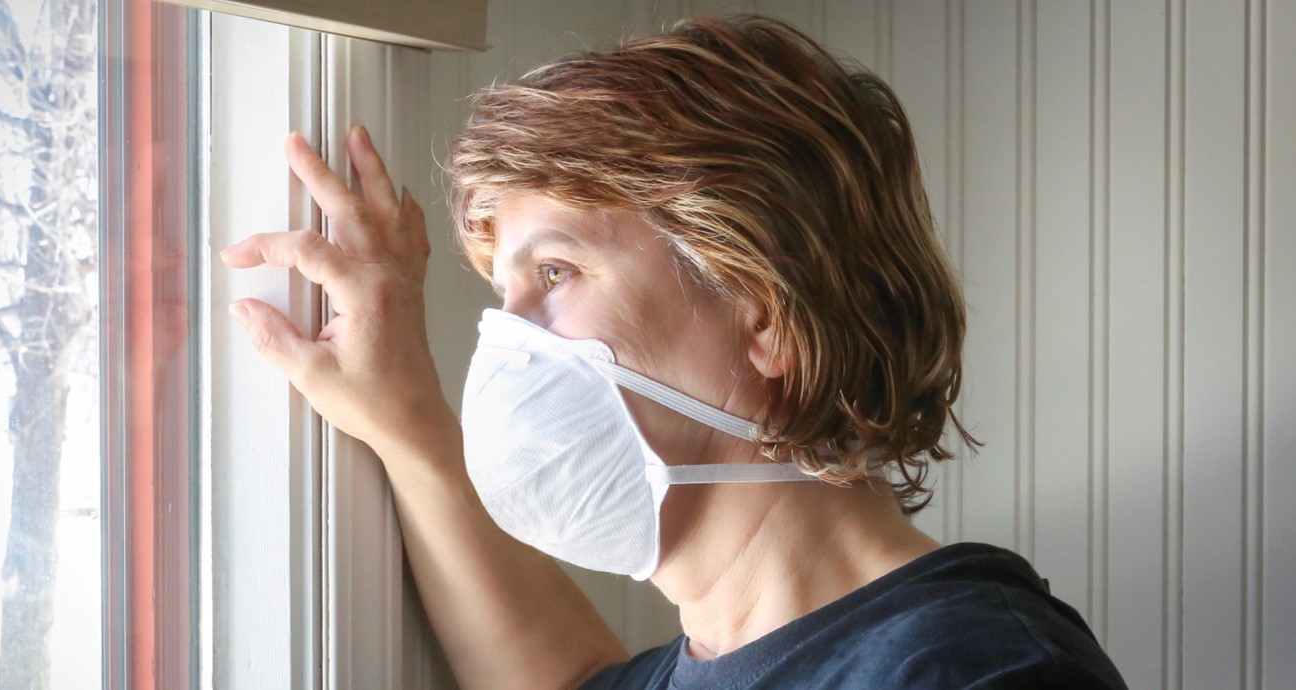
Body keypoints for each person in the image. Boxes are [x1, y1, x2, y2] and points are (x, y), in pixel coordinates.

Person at [219, 14, 1127, 690]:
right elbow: (562, 673)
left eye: (559, 271)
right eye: (507, 292)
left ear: (764, 315)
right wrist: (409, 423)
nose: (507, 345)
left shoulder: (978, 671)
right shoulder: (716, 658)